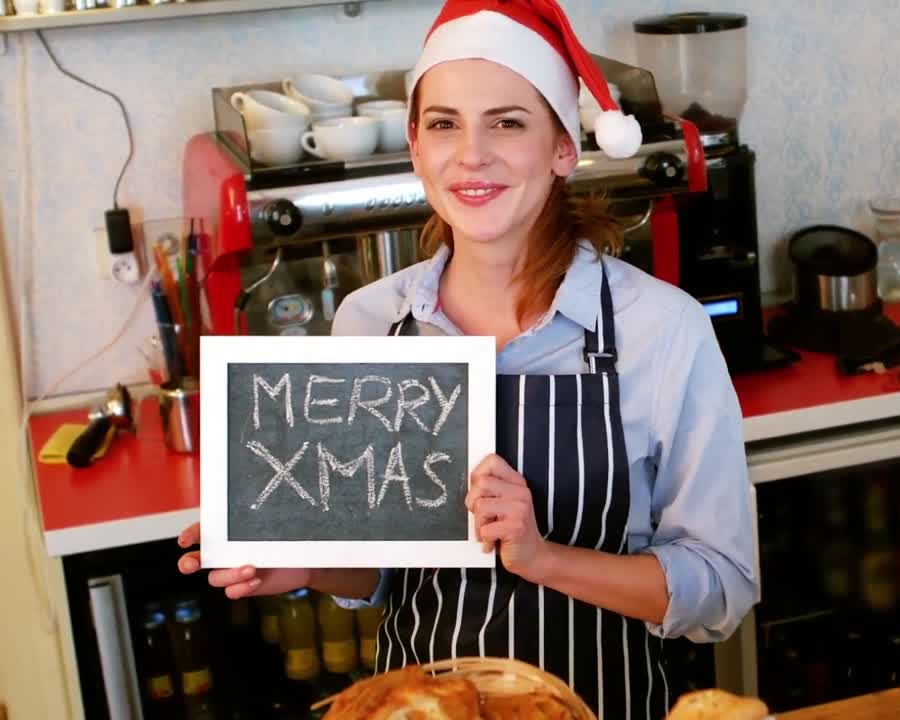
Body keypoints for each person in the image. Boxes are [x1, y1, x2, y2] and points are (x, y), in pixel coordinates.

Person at [177, 0, 758, 716]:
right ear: (416, 148)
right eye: (444, 124)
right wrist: (297, 559)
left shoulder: (662, 330)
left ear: (564, 149)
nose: (471, 154)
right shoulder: (371, 323)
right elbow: (382, 573)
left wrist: (542, 559)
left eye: (508, 123)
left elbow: (721, 588)